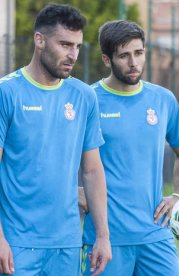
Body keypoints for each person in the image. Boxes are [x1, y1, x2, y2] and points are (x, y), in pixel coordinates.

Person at [0, 4, 111, 276]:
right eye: (64, 44)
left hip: (67, 243)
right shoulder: (7, 92)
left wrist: (103, 236)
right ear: (40, 40)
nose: (72, 55)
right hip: (17, 244)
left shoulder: (84, 96)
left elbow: (93, 170)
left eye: (77, 46)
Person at [80, 20, 179, 276]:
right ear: (107, 59)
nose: (133, 62)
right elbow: (56, 154)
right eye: (124, 55)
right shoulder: (88, 99)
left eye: (139, 53)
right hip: (105, 237)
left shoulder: (163, 99)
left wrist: (178, 195)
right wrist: (72, 191)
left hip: (156, 234)